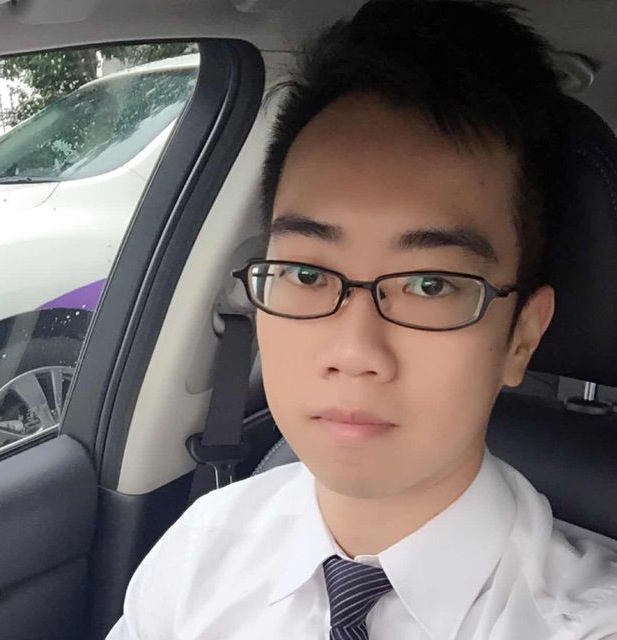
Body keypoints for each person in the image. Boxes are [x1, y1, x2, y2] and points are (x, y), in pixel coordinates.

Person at [107, 1, 617, 638]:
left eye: (431, 285)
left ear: (523, 336)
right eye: (307, 275)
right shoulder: (200, 555)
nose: (354, 352)